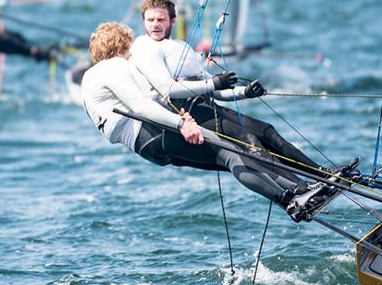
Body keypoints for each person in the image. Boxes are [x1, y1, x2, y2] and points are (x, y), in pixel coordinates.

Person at [128, 0, 360, 218]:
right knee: (249, 141)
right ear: (144, 22)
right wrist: (212, 83)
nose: (155, 25)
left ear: (172, 21)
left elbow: (214, 89)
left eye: (160, 19)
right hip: (184, 111)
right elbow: (166, 88)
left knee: (265, 131)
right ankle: (301, 190)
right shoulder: (145, 46)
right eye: (150, 20)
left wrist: (243, 92)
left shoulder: (179, 46)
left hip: (205, 105)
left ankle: (322, 177)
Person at [81, 22, 336, 222]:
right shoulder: (112, 66)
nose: (130, 57)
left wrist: (179, 118)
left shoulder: (89, 80)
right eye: (128, 52)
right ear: (117, 49)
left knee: (231, 160)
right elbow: (140, 106)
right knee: (233, 155)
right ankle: (292, 199)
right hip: (151, 133)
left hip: (149, 146)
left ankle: (298, 193)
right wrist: (182, 124)